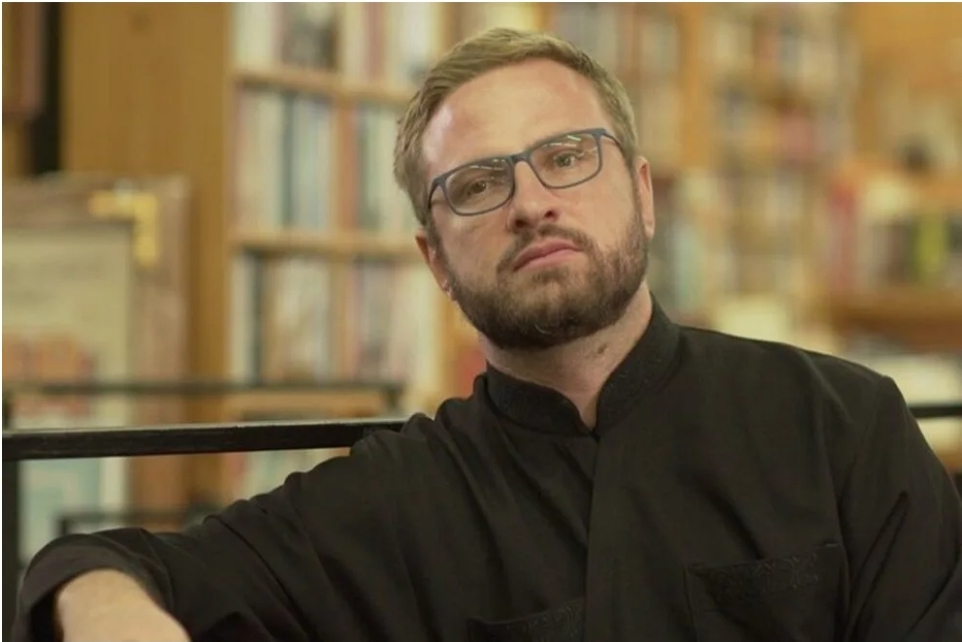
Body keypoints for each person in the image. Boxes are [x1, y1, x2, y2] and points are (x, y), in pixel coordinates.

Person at [13, 27, 962, 642]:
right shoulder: (391, 502)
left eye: (566, 157)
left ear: (642, 193)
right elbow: (98, 565)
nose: (531, 203)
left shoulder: (841, 426)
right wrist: (104, 607)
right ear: (434, 259)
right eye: (476, 184)